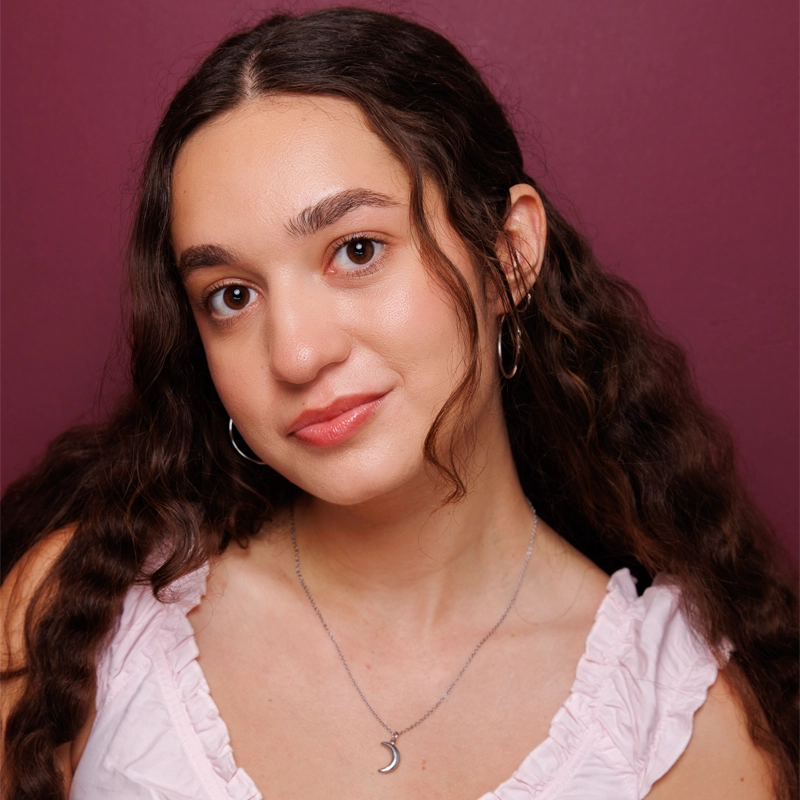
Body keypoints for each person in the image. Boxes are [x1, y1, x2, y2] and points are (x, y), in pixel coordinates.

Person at [1, 7, 797, 799]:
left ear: (509, 255)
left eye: (357, 250)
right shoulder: (77, 620)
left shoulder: (679, 728)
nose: (297, 354)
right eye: (232, 295)